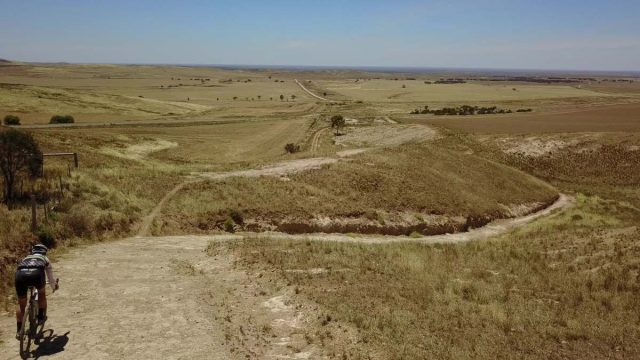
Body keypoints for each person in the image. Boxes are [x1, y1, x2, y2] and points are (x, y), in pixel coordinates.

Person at [14, 244, 59, 339]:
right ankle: (41, 317)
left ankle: (19, 331)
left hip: (20, 276)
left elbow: (18, 268)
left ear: (33, 252)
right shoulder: (45, 259)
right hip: (36, 274)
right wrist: (54, 287)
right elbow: (50, 278)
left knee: (21, 303)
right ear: (44, 252)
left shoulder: (25, 258)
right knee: (41, 294)